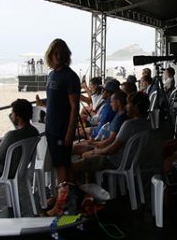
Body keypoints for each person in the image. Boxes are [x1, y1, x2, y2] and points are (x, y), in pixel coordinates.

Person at [72, 92, 151, 180]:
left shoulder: (129, 125)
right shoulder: (147, 123)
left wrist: (98, 151)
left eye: (128, 104)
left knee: (76, 164)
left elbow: (112, 149)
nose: (126, 106)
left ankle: (86, 188)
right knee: (86, 154)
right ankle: (90, 184)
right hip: (131, 162)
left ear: (136, 107)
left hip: (115, 162)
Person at [35, 39, 80, 187]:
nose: (58, 56)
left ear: (66, 55)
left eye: (61, 53)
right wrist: (44, 104)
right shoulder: (52, 75)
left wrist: (70, 131)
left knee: (62, 165)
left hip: (62, 129)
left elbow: (74, 107)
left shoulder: (70, 77)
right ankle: (69, 197)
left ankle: (63, 201)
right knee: (60, 164)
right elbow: (55, 99)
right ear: (50, 55)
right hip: (51, 128)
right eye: (55, 53)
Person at [72, 89, 128, 158]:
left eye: (112, 102)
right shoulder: (121, 114)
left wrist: (94, 144)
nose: (110, 104)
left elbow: (110, 141)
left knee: (77, 149)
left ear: (118, 102)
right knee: (77, 146)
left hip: (105, 147)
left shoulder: (119, 119)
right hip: (102, 140)